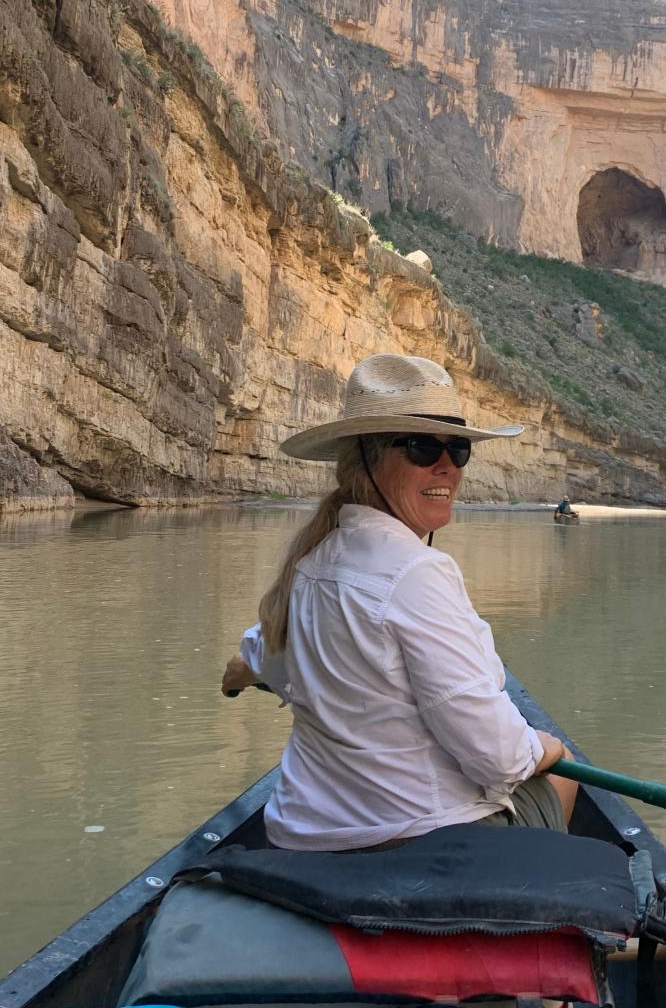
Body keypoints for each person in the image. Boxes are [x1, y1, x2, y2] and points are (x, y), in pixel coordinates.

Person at [222, 353, 576, 850]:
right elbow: (500, 757)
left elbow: (270, 657)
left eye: (458, 450)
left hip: (302, 831)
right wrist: (549, 747)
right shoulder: (416, 573)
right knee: (565, 773)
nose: (446, 466)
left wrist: (244, 665)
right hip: (413, 841)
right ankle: (533, 903)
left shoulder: (308, 563)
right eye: (421, 447)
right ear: (365, 459)